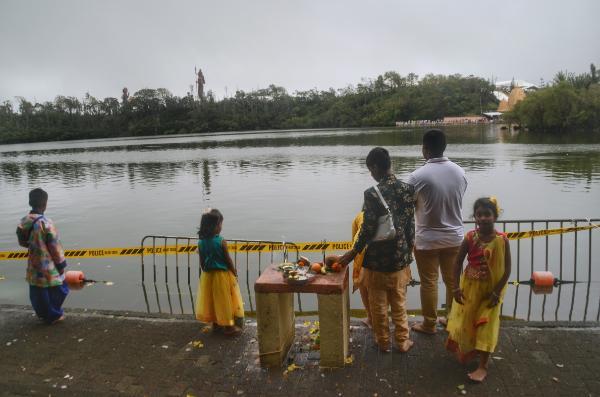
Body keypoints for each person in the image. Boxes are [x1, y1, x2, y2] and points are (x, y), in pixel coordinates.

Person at [339, 147, 416, 353]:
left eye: (370, 170)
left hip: (376, 260)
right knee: (399, 302)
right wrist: (408, 252)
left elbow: (367, 229)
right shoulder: (408, 189)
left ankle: (383, 342)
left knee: (378, 305)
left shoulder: (372, 193)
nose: (371, 174)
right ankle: (402, 341)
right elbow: (410, 226)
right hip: (400, 257)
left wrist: (352, 253)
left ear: (374, 167)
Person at [408, 129, 467, 334]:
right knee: (453, 281)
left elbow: (407, 204)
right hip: (455, 238)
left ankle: (429, 324)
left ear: (425, 149)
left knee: (429, 283)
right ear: (444, 147)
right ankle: (451, 320)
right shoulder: (460, 172)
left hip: (427, 240)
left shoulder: (417, 176)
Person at [446, 197, 511, 383]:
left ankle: (483, 366)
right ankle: (473, 352)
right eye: (479, 215)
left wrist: (497, 292)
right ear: (474, 217)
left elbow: (507, 270)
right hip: (470, 289)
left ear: (495, 217)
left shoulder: (502, 240)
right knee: (469, 322)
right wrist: (456, 287)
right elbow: (458, 262)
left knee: (486, 326)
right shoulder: (469, 238)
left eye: (487, 214)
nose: (483, 218)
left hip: (492, 292)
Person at [16, 188, 69, 324]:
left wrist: (34, 246)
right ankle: (53, 315)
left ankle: (43, 314)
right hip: (49, 265)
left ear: (30, 202)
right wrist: (61, 265)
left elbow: (22, 242)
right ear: (45, 204)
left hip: (34, 264)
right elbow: (55, 247)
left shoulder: (23, 221)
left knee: (38, 290)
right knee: (60, 287)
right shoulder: (47, 223)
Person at [195, 208, 244, 336]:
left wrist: (206, 271)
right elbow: (228, 260)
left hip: (207, 276)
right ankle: (229, 327)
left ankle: (216, 324)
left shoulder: (200, 242)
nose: (221, 227)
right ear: (214, 226)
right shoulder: (221, 241)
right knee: (224, 300)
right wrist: (234, 272)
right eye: (220, 224)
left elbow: (202, 262)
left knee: (212, 300)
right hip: (221, 275)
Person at [350, 211, 371, 328]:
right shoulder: (391, 212)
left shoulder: (360, 215)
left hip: (361, 252)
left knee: (363, 284)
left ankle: (371, 318)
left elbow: (354, 240)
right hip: (385, 255)